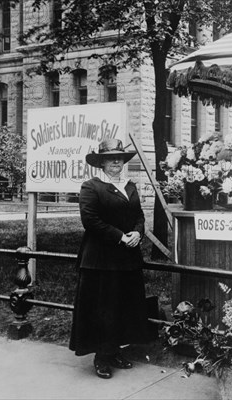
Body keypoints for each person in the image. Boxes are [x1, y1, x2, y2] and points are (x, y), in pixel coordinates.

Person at [69, 139, 149, 379]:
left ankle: (114, 352)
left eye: (120, 158)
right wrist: (120, 237)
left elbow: (139, 215)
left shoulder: (130, 185)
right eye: (111, 158)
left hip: (127, 259)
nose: (116, 161)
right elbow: (90, 221)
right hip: (101, 259)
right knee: (103, 308)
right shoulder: (91, 187)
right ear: (101, 162)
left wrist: (138, 232)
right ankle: (101, 357)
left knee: (123, 306)